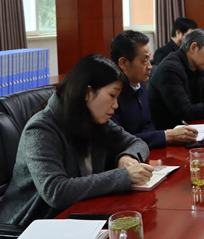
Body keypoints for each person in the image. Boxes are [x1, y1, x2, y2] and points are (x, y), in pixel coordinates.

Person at [0, 54, 153, 227]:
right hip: (33, 225)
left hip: (80, 214)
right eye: (112, 95)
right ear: (88, 92)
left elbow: (138, 143)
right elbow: (56, 192)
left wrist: (125, 157)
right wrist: (123, 176)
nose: (116, 105)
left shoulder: (95, 120)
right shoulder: (41, 129)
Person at [110, 30, 198, 148]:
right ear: (124, 63)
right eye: (144, 61)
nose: (150, 66)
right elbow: (120, 140)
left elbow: (148, 124)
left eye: (149, 59)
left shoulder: (141, 84)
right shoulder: (111, 95)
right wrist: (166, 136)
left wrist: (163, 137)